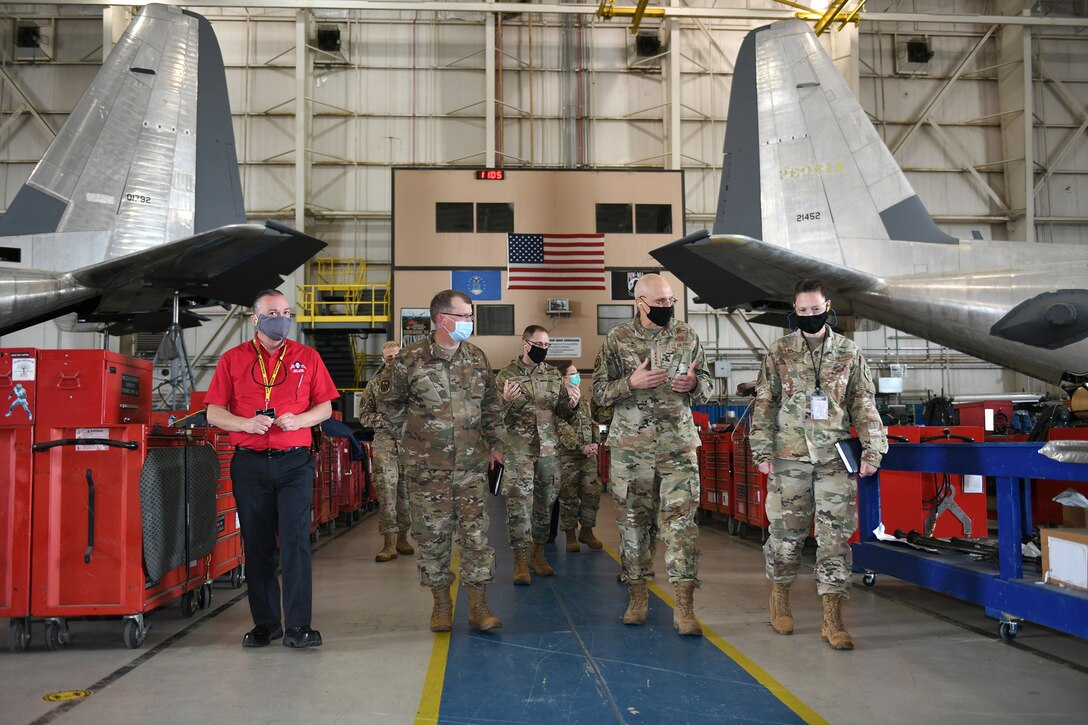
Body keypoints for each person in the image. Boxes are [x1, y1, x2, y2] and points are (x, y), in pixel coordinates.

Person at [750, 279, 888, 651]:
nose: (810, 316)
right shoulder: (779, 351)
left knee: (834, 539)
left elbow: (863, 402)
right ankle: (779, 598)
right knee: (786, 536)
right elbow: (764, 404)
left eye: (816, 309)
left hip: (832, 458)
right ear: (795, 312)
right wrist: (761, 452)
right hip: (789, 458)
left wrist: (873, 450)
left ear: (828, 307)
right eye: (803, 310)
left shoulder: (848, 351)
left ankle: (832, 619)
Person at [205, 289, 338, 649]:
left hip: (294, 462)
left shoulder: (307, 357)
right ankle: (266, 623)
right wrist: (244, 425)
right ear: (256, 319)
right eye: (274, 312)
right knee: (257, 544)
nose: (282, 318)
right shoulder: (232, 360)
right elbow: (213, 412)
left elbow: (324, 408)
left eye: (286, 312)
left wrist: (301, 420)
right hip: (248, 464)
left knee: (296, 543)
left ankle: (298, 626)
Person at [379, 290, 506, 632]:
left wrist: (496, 445)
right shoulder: (410, 359)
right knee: (432, 538)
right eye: (464, 316)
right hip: (426, 471)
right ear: (441, 319)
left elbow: (491, 406)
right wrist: (413, 440)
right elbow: (390, 405)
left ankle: (479, 606)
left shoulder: (477, 358)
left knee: (476, 538)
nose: (470, 322)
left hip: (471, 468)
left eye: (470, 316)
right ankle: (440, 605)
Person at [592, 273, 711, 636]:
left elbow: (706, 385)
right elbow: (597, 392)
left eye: (670, 300)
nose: (667, 307)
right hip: (632, 453)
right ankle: (638, 597)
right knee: (632, 528)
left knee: (681, 530)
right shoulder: (617, 339)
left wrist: (694, 384)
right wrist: (630, 383)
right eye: (659, 302)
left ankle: (685, 608)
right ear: (639, 302)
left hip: (678, 448)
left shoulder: (687, 336)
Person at [496, 326, 578, 583]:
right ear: (525, 344)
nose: (543, 349)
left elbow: (564, 413)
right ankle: (520, 561)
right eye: (539, 344)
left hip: (549, 451)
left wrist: (572, 403)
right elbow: (494, 419)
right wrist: (505, 402)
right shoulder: (506, 376)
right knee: (519, 505)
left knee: (545, 504)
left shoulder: (554, 375)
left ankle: (538, 554)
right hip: (518, 451)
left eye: (547, 345)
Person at [359, 340, 414, 562]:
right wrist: (382, 420)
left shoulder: (413, 382)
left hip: (409, 443)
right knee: (386, 492)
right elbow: (363, 415)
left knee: (406, 493)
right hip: (384, 443)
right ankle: (388, 543)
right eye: (388, 357)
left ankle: (403, 538)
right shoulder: (374, 384)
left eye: (396, 355)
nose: (392, 359)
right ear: (383, 359)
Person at [556, 362, 603, 553]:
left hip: (588, 456)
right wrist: (580, 447)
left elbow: (592, 423)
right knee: (569, 497)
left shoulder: (583, 400)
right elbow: (561, 427)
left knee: (592, 492)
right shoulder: (559, 401)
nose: (576, 377)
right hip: (568, 456)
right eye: (572, 374)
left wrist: (596, 443)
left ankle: (587, 530)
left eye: (577, 373)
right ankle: (570, 535)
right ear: (563, 378)